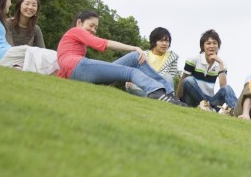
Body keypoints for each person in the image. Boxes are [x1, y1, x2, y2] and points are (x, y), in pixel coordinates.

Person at [56, 11, 184, 105]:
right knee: (132, 71)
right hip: (78, 67)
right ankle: (157, 92)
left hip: (78, 72)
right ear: (79, 22)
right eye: (91, 25)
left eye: (96, 27)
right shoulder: (75, 31)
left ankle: (169, 94)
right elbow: (102, 44)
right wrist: (133, 47)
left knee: (135, 57)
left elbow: (63, 72)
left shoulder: (74, 43)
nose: (94, 30)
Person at [176, 29, 237, 109]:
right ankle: (205, 106)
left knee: (227, 88)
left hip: (210, 101)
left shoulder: (221, 64)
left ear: (218, 46)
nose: (211, 46)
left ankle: (237, 112)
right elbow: (183, 81)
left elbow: (223, 87)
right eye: (208, 43)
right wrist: (176, 100)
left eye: (214, 43)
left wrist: (220, 64)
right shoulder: (193, 60)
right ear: (202, 46)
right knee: (188, 80)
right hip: (192, 99)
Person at [125, 27, 180, 97]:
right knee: (130, 85)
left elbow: (170, 78)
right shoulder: (142, 54)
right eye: (161, 40)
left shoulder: (172, 57)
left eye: (167, 41)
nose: (164, 44)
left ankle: (166, 97)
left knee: (168, 76)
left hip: (162, 86)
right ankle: (161, 98)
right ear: (154, 41)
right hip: (145, 84)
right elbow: (134, 72)